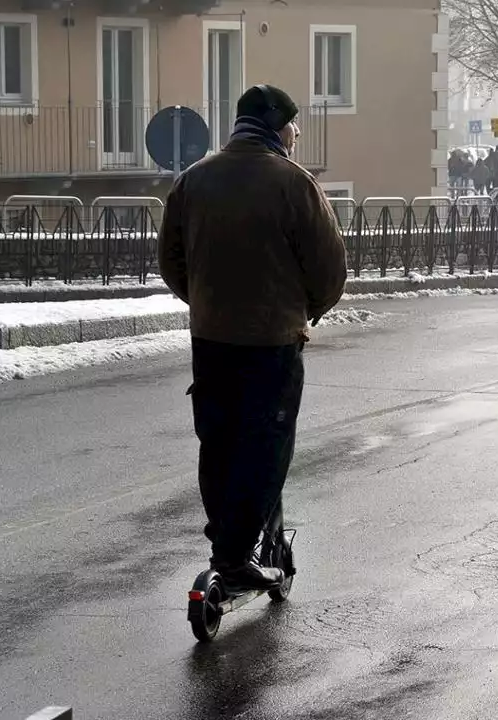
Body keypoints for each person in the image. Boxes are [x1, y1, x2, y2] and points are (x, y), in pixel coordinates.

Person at [158, 84, 348, 591]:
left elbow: (171, 261)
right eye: (293, 125)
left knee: (218, 441)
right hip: (273, 341)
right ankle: (235, 555)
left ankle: (226, 536)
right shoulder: (294, 183)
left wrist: (205, 304)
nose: (298, 134)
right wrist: (304, 311)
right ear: (276, 126)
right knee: (266, 446)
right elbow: (329, 270)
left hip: (211, 339)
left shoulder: (192, 181)